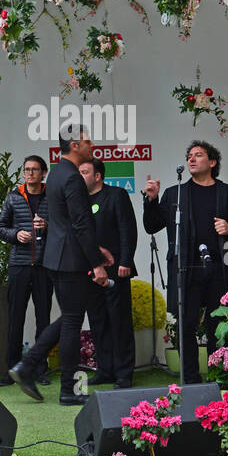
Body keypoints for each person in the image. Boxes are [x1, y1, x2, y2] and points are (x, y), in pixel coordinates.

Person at [11, 124, 110, 406]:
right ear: (75, 145)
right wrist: (97, 264)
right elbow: (80, 225)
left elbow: (68, 223)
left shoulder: (56, 173)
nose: (92, 144)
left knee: (69, 316)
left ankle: (26, 366)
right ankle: (67, 390)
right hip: (70, 261)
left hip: (58, 257)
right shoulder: (72, 178)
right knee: (71, 322)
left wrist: (98, 251)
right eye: (87, 141)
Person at [143, 140, 228, 384]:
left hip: (221, 269)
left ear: (212, 162)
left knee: (219, 325)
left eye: (198, 155)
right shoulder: (175, 193)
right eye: (189, 156)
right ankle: (191, 380)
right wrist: (151, 200)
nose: (191, 159)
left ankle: (220, 378)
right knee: (185, 325)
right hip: (186, 271)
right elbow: (152, 225)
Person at [79, 157, 137, 388]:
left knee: (119, 321)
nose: (79, 176)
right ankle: (104, 370)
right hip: (89, 271)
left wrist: (125, 261)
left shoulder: (116, 195)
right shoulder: (79, 201)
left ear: (98, 176)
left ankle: (124, 373)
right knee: (98, 321)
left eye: (84, 172)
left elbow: (127, 230)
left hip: (116, 270)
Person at [0, 155, 53, 387]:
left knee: (43, 320)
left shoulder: (53, 197)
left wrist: (48, 226)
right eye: (26, 169)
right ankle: (12, 370)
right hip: (19, 265)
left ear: (43, 173)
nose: (30, 173)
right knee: (15, 319)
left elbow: (65, 226)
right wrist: (15, 235)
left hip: (44, 266)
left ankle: (40, 370)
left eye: (34, 169)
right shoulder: (13, 197)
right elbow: (1, 228)